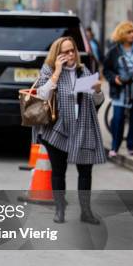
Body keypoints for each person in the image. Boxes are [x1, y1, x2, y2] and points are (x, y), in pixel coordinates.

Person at [33, 36, 106, 224]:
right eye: (65, 52)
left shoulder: (83, 71)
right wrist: (56, 72)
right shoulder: (49, 69)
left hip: (83, 127)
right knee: (59, 171)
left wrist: (97, 91)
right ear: (58, 54)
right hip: (57, 129)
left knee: (85, 171)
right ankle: (59, 210)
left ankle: (86, 212)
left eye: (72, 50)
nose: (71, 54)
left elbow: (97, 103)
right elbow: (42, 95)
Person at [103, 21, 133, 157]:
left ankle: (132, 145)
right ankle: (114, 147)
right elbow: (106, 69)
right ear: (122, 34)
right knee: (118, 118)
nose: (132, 34)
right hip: (121, 88)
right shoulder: (114, 51)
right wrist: (114, 78)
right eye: (129, 32)